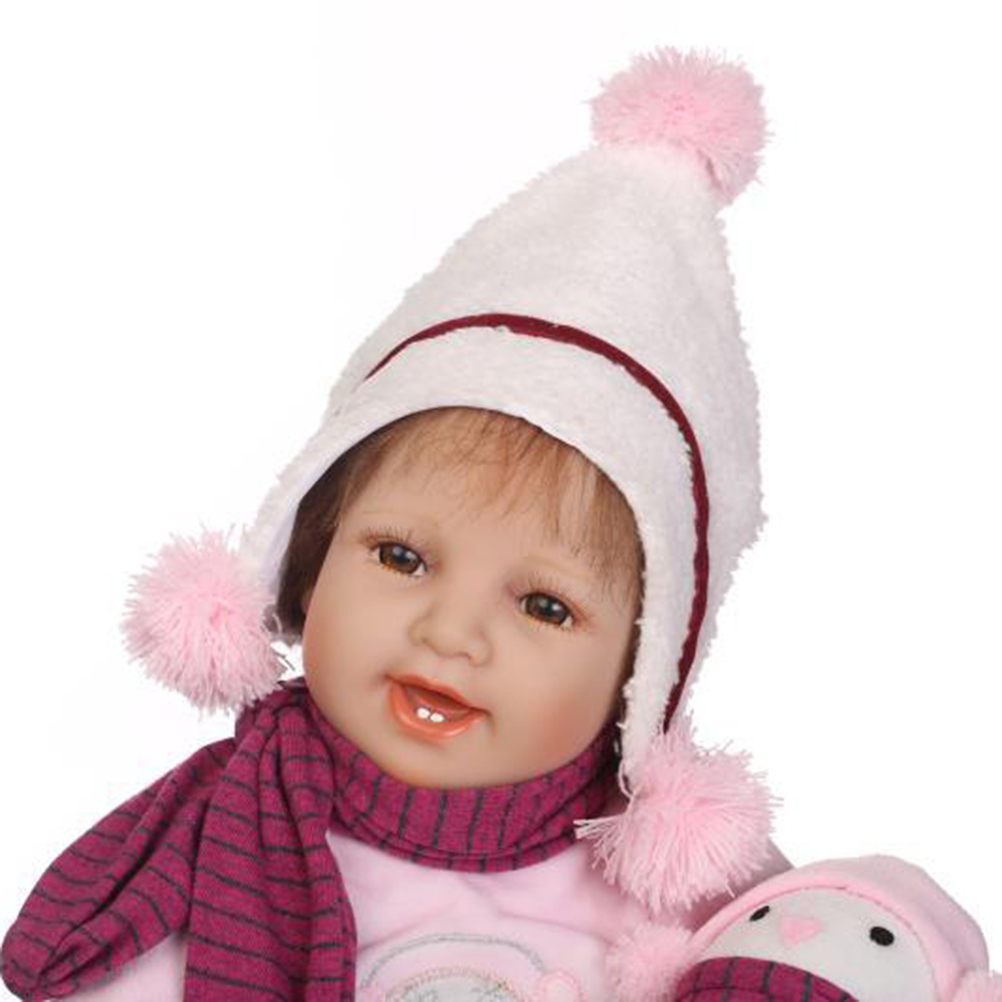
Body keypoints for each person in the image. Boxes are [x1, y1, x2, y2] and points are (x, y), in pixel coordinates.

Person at [2, 45, 791, 1000]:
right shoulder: (201, 853)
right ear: (309, 558)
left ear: (643, 672)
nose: (450, 632)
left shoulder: (704, 911)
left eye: (545, 606)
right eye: (402, 556)